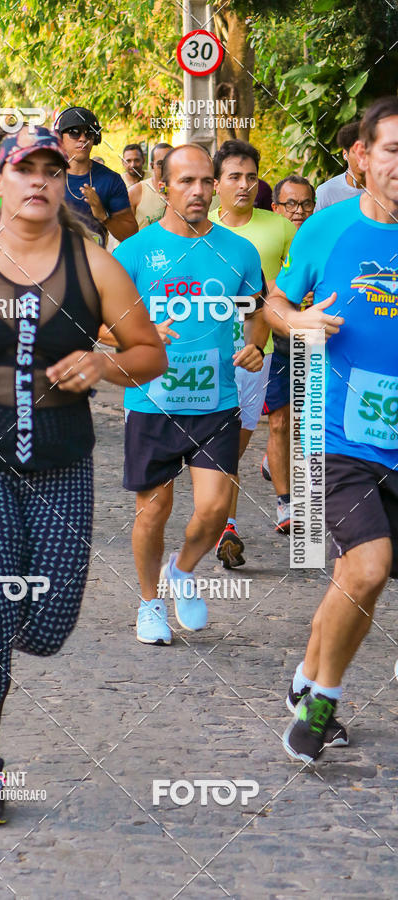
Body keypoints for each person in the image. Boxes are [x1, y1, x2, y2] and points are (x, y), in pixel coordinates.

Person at [0, 124, 166, 824]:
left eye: (52, 168)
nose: (40, 179)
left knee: (46, 627)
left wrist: (105, 364)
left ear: (63, 182)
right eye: (25, 168)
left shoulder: (95, 266)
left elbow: (148, 354)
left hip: (61, 461)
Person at [266, 97, 398, 763]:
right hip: (335, 432)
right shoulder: (326, 229)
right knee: (370, 566)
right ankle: (321, 705)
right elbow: (275, 303)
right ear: (364, 159)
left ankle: (303, 682)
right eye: (394, 151)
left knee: (355, 575)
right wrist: (298, 324)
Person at [114, 144, 266, 646]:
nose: (198, 191)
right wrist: (140, 333)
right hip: (153, 402)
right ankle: (149, 602)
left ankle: (182, 570)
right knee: (153, 510)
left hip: (215, 401)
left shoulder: (239, 252)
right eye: (187, 182)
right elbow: (99, 319)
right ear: (164, 187)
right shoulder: (134, 252)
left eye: (206, 181)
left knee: (215, 508)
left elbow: (257, 311)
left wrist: (256, 346)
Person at [209, 140, 295, 563]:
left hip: (257, 353)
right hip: (203, 358)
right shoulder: (195, 225)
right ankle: (227, 529)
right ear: (215, 183)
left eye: (251, 177)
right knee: (218, 448)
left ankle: (223, 519)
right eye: (234, 177)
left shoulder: (279, 228)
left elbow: (297, 284)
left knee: (232, 449)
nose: (244, 185)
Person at [260, 175, 316, 532]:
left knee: (306, 422)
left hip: (318, 341)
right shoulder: (268, 238)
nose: (299, 211)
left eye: (306, 204)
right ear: (276, 208)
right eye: (290, 204)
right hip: (276, 340)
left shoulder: (323, 238)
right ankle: (287, 504)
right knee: (280, 421)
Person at [54, 106, 137, 246]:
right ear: (60, 138)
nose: (82, 139)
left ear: (95, 138)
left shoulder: (111, 180)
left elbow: (131, 236)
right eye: (74, 132)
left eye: (89, 133)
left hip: (93, 264)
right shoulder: (46, 178)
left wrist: (104, 216)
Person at [314, 121, 365, 212]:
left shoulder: (386, 190)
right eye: (357, 152)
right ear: (345, 154)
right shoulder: (326, 192)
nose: (362, 158)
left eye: (367, 152)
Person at [128, 142, 172, 229]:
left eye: (170, 162)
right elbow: (125, 233)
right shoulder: (136, 191)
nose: (166, 167)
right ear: (152, 166)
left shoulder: (183, 192)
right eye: (160, 163)